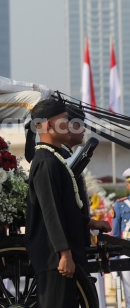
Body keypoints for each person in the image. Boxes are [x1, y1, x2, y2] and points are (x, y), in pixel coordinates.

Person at [25, 99, 110, 307]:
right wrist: (64, 254)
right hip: (55, 259)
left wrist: (89, 223)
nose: (69, 125)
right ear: (47, 126)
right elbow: (51, 212)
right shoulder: (45, 162)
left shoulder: (54, 159)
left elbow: (65, 208)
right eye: (63, 120)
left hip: (64, 255)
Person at [112, 168, 130, 304]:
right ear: (127, 185)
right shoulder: (120, 205)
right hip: (126, 251)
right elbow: (116, 235)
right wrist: (114, 260)